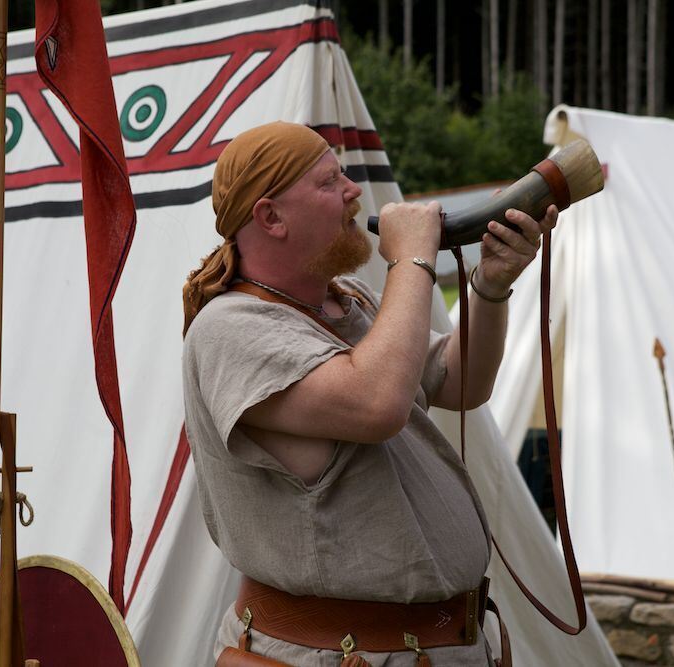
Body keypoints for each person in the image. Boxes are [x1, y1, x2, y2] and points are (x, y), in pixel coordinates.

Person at [182, 121, 557, 666]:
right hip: (336, 656)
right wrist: (410, 260)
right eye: (330, 182)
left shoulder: (348, 300)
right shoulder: (230, 329)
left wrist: (490, 286)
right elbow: (377, 403)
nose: (354, 192)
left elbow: (460, 382)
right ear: (270, 217)